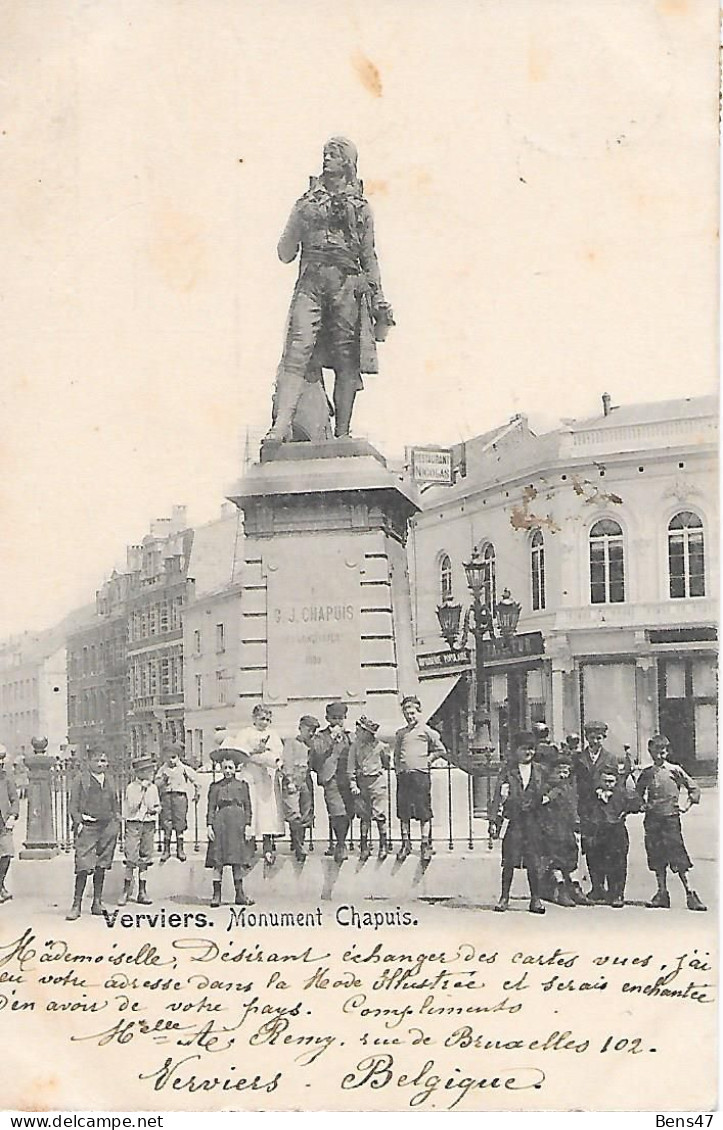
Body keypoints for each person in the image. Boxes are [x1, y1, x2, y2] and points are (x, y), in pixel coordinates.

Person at [264, 136, 394, 447]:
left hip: (347, 286)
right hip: (311, 282)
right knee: (296, 351)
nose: (327, 158)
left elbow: (368, 255)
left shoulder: (361, 208)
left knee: (346, 359)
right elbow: (284, 251)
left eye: (335, 154)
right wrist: (299, 218)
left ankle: (343, 434)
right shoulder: (306, 203)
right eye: (325, 153)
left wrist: (378, 298)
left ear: (348, 162)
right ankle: (281, 426)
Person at [636, 734, 706, 911]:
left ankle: (690, 893)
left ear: (667, 752)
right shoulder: (647, 773)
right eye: (656, 752)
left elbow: (694, 788)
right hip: (652, 819)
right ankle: (662, 893)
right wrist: (642, 805)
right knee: (657, 855)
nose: (660, 756)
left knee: (677, 855)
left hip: (670, 818)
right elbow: (636, 793)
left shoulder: (675, 770)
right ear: (650, 752)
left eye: (663, 752)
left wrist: (686, 806)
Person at [489, 731, 546, 914]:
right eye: (524, 749)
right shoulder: (508, 771)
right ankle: (504, 897)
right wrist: (493, 820)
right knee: (509, 859)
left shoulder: (540, 770)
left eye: (531, 749)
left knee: (534, 860)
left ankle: (535, 899)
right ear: (515, 751)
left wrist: (546, 798)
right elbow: (497, 796)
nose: (528, 752)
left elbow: (557, 787)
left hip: (534, 820)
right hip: (514, 820)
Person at [225, 705, 285, 865]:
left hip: (266, 777)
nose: (264, 722)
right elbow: (239, 752)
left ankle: (268, 847)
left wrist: (268, 755)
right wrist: (255, 751)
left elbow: (277, 753)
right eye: (261, 719)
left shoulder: (273, 734)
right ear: (254, 718)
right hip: (250, 776)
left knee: (267, 813)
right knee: (251, 811)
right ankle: (249, 847)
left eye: (267, 719)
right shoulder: (245, 733)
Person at [573, 720, 624, 902]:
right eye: (592, 737)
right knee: (592, 850)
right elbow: (575, 783)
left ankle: (615, 892)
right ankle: (597, 887)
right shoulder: (578, 758)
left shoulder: (611, 758)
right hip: (588, 810)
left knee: (611, 851)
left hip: (607, 812)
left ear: (604, 737)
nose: (595, 741)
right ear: (586, 737)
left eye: (599, 737)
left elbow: (618, 783)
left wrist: (609, 795)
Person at [393, 695, 448, 864]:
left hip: (420, 775)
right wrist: (398, 768)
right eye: (406, 713)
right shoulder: (401, 733)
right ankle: (406, 843)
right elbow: (396, 754)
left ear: (419, 712)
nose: (410, 716)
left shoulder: (427, 731)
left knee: (423, 810)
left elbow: (441, 749)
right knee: (404, 811)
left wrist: (428, 760)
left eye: (412, 713)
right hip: (404, 776)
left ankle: (425, 844)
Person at [66, 748, 119, 920]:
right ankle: (76, 904)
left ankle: (97, 902)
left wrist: (116, 822)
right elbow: (73, 804)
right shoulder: (80, 780)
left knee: (101, 865)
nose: (100, 764)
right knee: (83, 865)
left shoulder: (110, 780)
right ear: (89, 762)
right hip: (88, 826)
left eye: (103, 761)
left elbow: (115, 802)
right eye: (96, 760)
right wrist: (78, 821)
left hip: (107, 826)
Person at [584, 768, 642, 907]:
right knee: (595, 859)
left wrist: (627, 809)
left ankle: (617, 893)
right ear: (599, 780)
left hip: (616, 831)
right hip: (597, 831)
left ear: (616, 781)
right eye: (605, 781)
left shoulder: (622, 793)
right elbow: (584, 809)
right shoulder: (592, 794)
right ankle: (597, 889)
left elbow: (638, 804)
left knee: (617, 863)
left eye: (611, 781)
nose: (608, 785)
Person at [206, 751, 254, 908]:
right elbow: (211, 808)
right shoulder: (215, 787)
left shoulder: (242, 786)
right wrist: (209, 826)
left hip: (237, 823)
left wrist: (247, 825)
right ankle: (216, 894)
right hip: (221, 823)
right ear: (220, 768)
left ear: (236, 769)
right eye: (224, 767)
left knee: (237, 860)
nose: (227, 771)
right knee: (217, 860)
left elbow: (248, 807)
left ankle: (240, 894)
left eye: (230, 767)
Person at [310, 702, 355, 863]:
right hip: (331, 777)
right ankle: (340, 845)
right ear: (327, 718)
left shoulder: (350, 735)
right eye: (334, 718)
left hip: (347, 777)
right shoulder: (321, 736)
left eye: (340, 718)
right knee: (337, 811)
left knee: (349, 811)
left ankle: (339, 842)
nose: (337, 722)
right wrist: (332, 741)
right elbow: (317, 753)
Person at [538, 748, 583, 907]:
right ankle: (560, 888)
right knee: (555, 858)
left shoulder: (569, 787)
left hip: (567, 827)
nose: (564, 774)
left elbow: (573, 806)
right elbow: (543, 802)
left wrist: (576, 822)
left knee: (571, 855)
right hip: (553, 827)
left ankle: (574, 887)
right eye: (560, 771)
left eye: (566, 771)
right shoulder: (549, 786)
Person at [118, 755, 161, 906]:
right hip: (134, 823)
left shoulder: (154, 788)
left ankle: (142, 892)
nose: (151, 774)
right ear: (139, 773)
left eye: (151, 771)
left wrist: (155, 809)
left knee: (145, 857)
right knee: (131, 857)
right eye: (147, 771)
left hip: (148, 824)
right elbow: (131, 806)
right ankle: (125, 890)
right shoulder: (132, 788)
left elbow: (156, 805)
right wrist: (142, 790)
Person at [349, 716, 391, 862]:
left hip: (377, 782)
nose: (357, 732)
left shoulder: (380, 747)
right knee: (363, 815)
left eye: (359, 730)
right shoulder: (355, 747)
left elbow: (386, 763)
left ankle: (383, 845)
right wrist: (353, 783)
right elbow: (351, 767)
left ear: (367, 733)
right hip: (362, 783)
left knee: (380, 814)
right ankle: (364, 846)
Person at [281, 715, 319, 861]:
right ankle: (298, 845)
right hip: (293, 780)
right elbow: (287, 762)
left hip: (305, 780)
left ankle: (299, 842)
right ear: (301, 728)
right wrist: (289, 780)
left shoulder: (311, 745)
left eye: (313, 730)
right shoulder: (291, 743)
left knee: (306, 811)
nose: (311, 733)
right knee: (293, 812)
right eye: (309, 729)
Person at [155, 742, 199, 863]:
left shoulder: (183, 769)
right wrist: (163, 780)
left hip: (179, 797)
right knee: (166, 822)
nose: (171, 760)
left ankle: (180, 849)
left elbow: (195, 779)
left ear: (178, 757)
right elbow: (156, 783)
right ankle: (166, 849)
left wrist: (197, 793)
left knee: (180, 822)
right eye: (168, 757)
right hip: (166, 797)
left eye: (174, 757)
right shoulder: (162, 769)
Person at [0, 744, 19, 903]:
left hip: (3, 822)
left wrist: (13, 815)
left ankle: (0, 885)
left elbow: (14, 799)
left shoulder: (7, 778)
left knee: (6, 854)